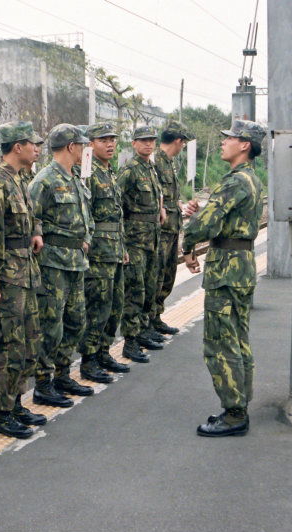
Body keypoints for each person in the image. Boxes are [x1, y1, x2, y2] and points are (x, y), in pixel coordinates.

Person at [181, 119, 265, 437]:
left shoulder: (234, 181)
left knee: (219, 343)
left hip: (226, 271)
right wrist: (200, 216)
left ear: (245, 145)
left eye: (229, 138)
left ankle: (234, 413)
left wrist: (188, 243)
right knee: (239, 339)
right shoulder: (252, 180)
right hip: (241, 266)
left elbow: (205, 224)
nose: (223, 142)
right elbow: (217, 220)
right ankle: (240, 403)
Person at [0, 121, 47, 439]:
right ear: (16, 147)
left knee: (27, 342)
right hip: (8, 278)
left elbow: (31, 217)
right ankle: (1, 412)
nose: (37, 148)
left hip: (26, 273)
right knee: (8, 346)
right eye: (31, 143)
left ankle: (16, 402)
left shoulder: (22, 179)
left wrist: (36, 232)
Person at [29, 123, 94, 405]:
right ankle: (43, 383)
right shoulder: (44, 180)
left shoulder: (76, 177)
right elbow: (31, 217)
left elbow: (85, 214)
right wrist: (38, 234)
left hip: (76, 261)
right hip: (53, 263)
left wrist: (86, 237)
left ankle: (63, 373)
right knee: (51, 324)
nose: (83, 150)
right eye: (81, 145)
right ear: (71, 147)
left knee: (76, 319)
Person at [78, 122, 130, 383]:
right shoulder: (87, 173)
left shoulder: (109, 172)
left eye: (112, 139)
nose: (110, 144)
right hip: (98, 252)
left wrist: (123, 247)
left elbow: (117, 215)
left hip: (114, 250)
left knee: (114, 305)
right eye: (103, 140)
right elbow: (86, 215)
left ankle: (103, 351)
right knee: (98, 306)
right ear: (90, 144)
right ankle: (88, 359)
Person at [117, 125, 166, 363]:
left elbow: (156, 198)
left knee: (149, 287)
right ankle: (130, 340)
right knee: (134, 291)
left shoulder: (151, 168)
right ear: (134, 144)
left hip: (152, 238)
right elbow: (117, 207)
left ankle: (144, 329)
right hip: (135, 240)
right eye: (143, 140)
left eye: (152, 140)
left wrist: (161, 208)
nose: (148, 144)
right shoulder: (129, 170)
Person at [153, 120, 193, 337]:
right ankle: (149, 320)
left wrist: (180, 207)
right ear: (178, 141)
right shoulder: (156, 162)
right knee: (157, 276)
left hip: (172, 229)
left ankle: (156, 316)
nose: (183, 147)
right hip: (161, 231)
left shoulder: (168, 163)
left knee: (167, 275)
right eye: (183, 143)